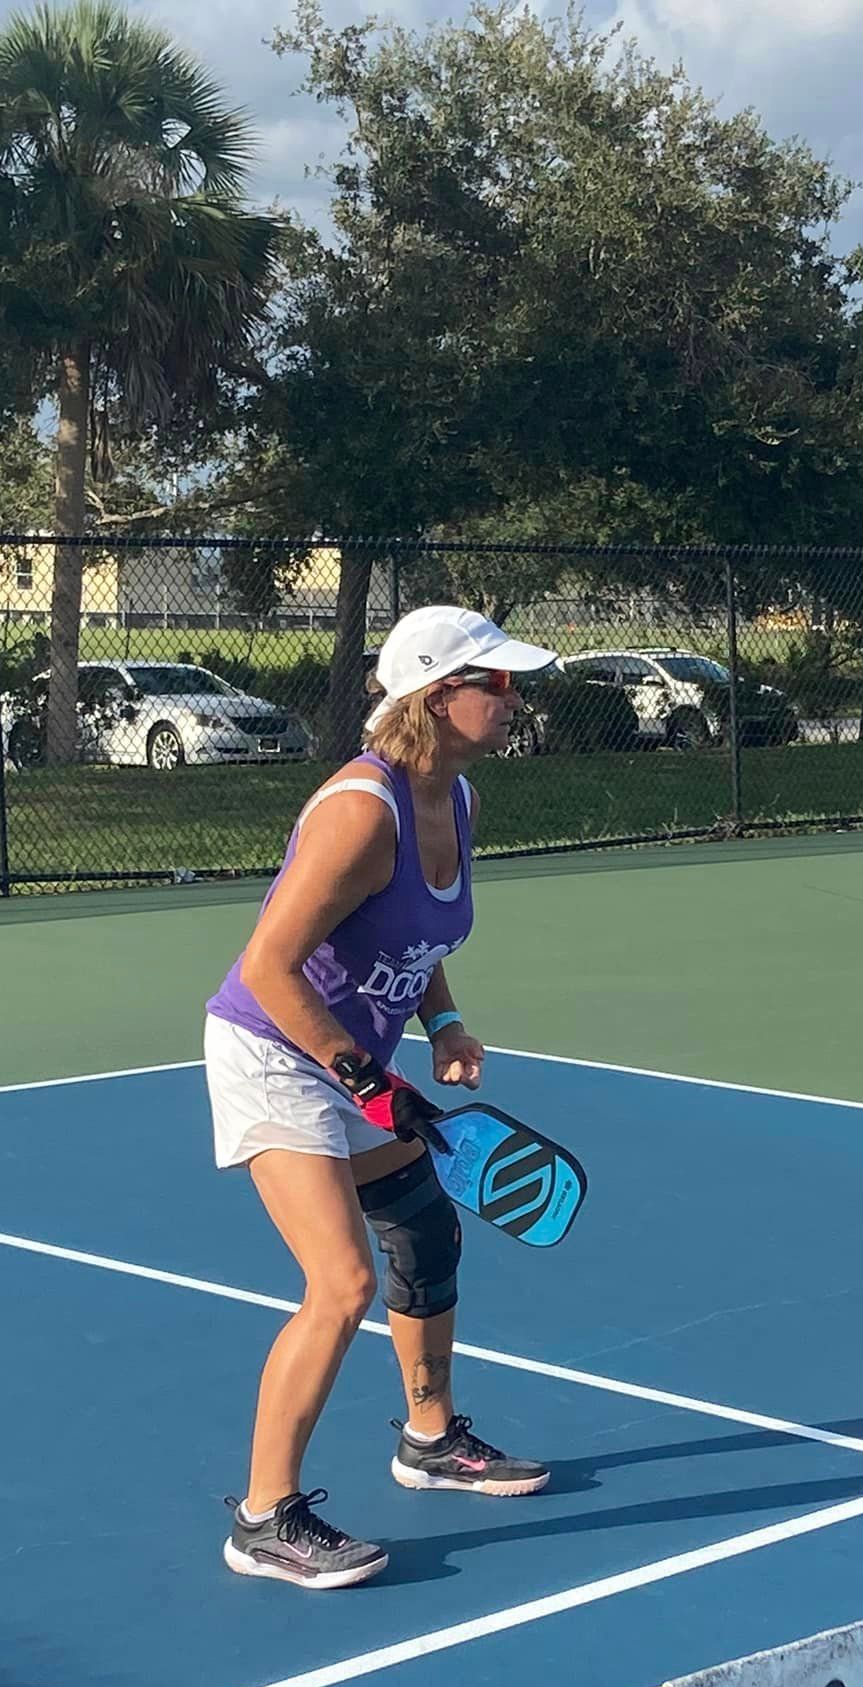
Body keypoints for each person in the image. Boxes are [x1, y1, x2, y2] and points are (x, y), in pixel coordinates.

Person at [203, 605, 558, 1587]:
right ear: (438, 697)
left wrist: (443, 1025)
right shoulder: (362, 810)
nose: (512, 699)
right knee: (342, 1284)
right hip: (273, 1051)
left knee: (425, 1230)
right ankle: (263, 1517)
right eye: (496, 683)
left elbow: (415, 936)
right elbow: (268, 964)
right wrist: (364, 1078)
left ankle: (430, 1440)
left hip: (348, 1053)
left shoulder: (460, 800)